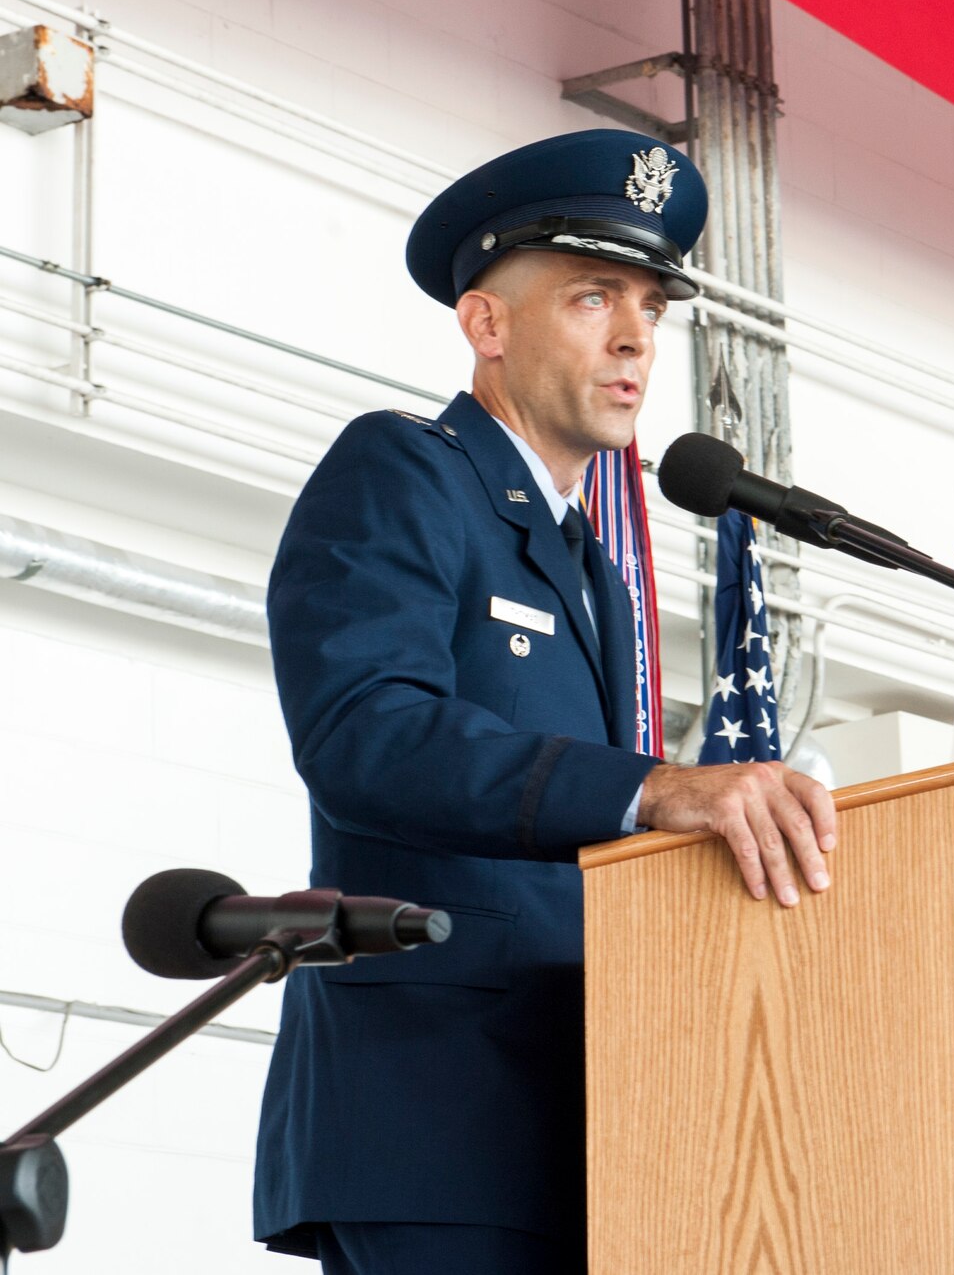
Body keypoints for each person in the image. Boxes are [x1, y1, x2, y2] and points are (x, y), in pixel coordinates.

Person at [251, 129, 837, 1274]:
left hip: (591, 1120)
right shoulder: (405, 471)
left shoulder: (595, 575)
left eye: (651, 310)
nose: (634, 338)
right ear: (487, 324)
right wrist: (656, 789)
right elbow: (364, 730)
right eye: (590, 296)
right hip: (433, 1118)